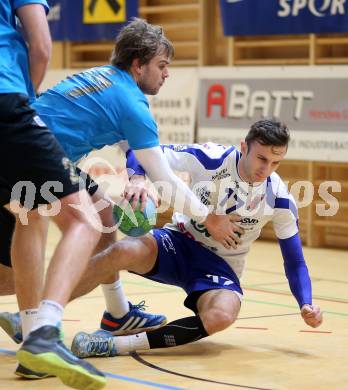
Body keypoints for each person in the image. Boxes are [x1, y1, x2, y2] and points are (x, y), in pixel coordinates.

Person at [0, 16, 242, 370]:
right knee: (73, 229)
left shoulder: (104, 79)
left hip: (20, 145)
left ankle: (116, 314)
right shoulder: (133, 104)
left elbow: (136, 151)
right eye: (162, 65)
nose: (167, 74)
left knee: (102, 213)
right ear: (138, 63)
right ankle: (41, 327)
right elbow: (165, 178)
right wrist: (209, 218)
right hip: (29, 153)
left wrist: (133, 175)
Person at [68, 119, 323, 358]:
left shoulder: (279, 199)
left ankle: (114, 345)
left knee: (222, 315)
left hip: (220, 266)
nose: (266, 169)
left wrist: (306, 302)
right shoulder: (211, 158)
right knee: (121, 251)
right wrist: (137, 178)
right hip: (178, 241)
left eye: (275, 163)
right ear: (244, 147)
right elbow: (145, 152)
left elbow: (295, 262)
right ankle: (43, 314)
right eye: (261, 158)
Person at [0, 1, 106, 388]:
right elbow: (41, 46)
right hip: (5, 97)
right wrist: (27, 99)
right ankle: (46, 330)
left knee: (28, 211)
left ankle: (31, 341)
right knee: (84, 218)